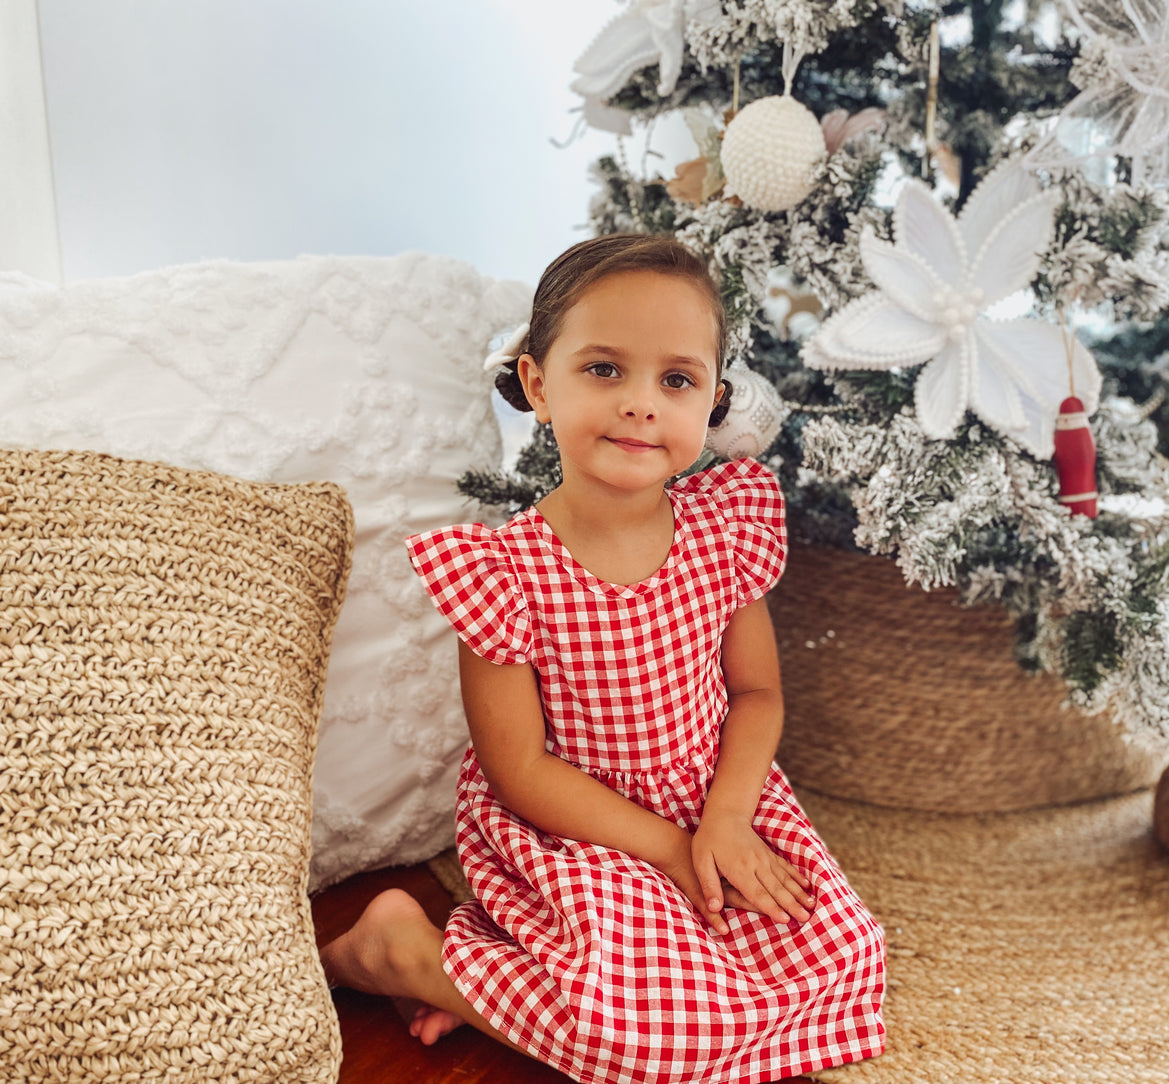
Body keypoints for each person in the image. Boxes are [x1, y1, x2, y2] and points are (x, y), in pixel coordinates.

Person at [320, 233, 887, 1084]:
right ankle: (402, 955)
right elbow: (518, 768)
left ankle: (489, 989)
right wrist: (668, 848)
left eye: (676, 380)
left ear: (711, 402)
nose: (640, 405)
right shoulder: (505, 571)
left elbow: (758, 693)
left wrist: (725, 820)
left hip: (719, 797)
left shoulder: (722, 528)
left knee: (848, 963)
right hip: (578, 828)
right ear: (539, 386)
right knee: (641, 1030)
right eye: (603, 370)